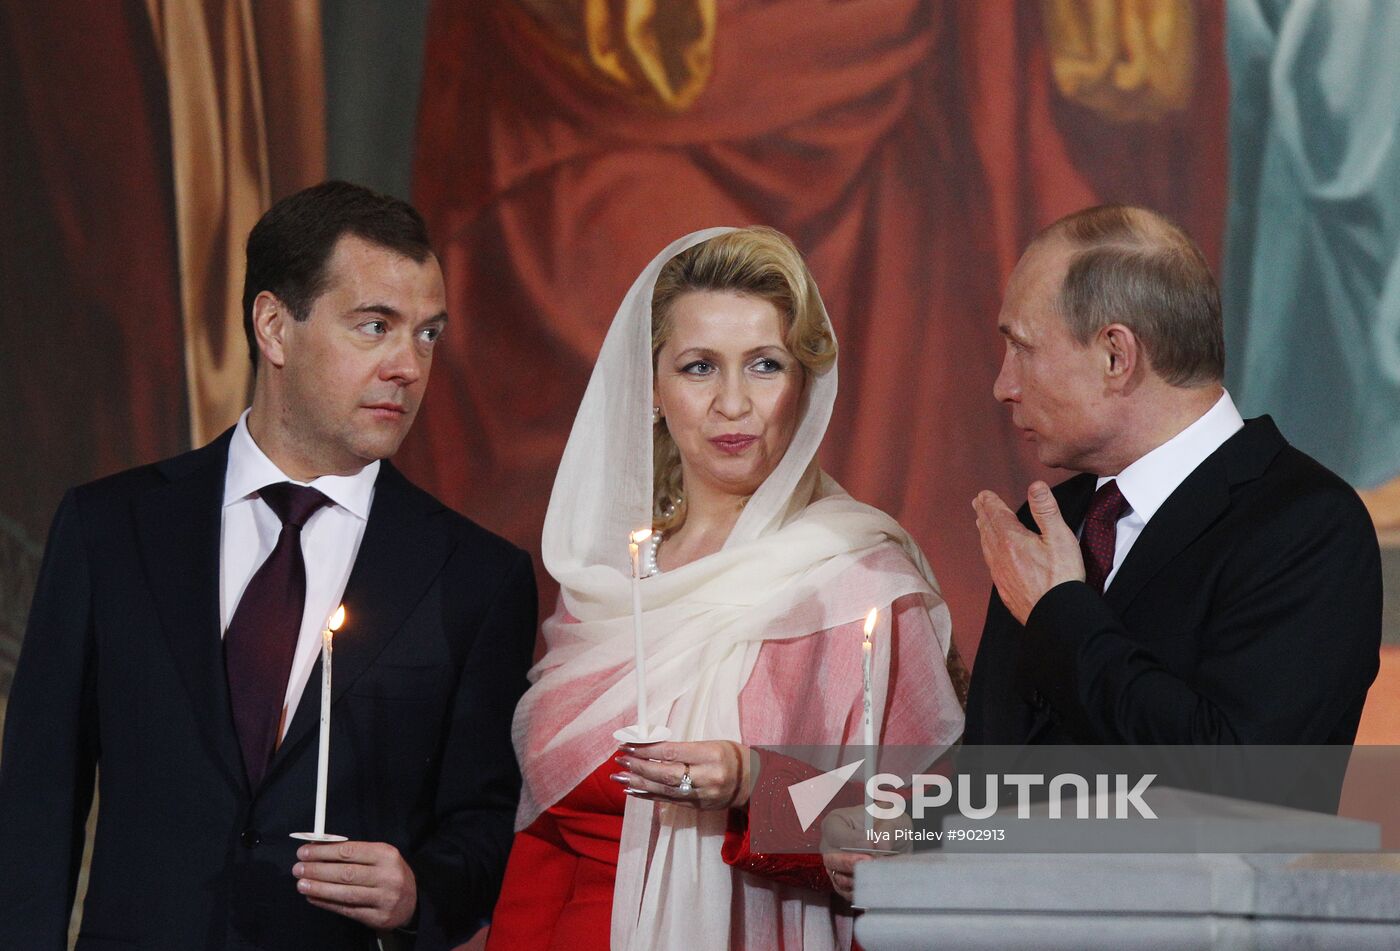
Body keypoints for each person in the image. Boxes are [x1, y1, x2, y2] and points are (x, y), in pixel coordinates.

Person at [0, 181, 538, 950]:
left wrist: (420, 888)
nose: (409, 366)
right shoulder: (109, 530)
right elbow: (35, 802)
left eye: (426, 335)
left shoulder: (477, 578)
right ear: (274, 327)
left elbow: (486, 822)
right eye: (375, 326)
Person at [486, 227, 965, 950]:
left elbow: (931, 831)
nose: (733, 402)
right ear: (651, 388)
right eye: (699, 366)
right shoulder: (609, 580)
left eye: (765, 365)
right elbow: (544, 827)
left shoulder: (860, 579)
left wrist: (754, 780)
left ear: (803, 385)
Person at [964, 204, 1381, 748]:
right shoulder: (1050, 523)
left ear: (1116, 356)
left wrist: (1058, 614)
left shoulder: (1308, 526)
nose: (1003, 386)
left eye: (1022, 347)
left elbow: (1242, 787)